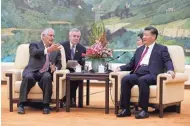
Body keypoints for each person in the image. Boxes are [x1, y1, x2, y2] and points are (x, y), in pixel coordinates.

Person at [114, 26, 175, 119]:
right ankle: (126, 109)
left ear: (153, 37)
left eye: (146, 35)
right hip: (139, 72)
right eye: (143, 35)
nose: (144, 37)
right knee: (126, 79)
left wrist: (170, 70)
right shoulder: (139, 49)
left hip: (152, 74)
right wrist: (120, 68)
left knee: (143, 80)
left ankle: (144, 110)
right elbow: (131, 64)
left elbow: (167, 60)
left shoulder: (161, 49)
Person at [18, 28, 62, 114]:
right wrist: (48, 50)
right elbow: (34, 53)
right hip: (32, 71)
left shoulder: (56, 50)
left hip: (44, 72)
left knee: (47, 76)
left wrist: (55, 68)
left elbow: (59, 64)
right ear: (43, 36)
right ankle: (21, 104)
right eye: (50, 35)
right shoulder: (34, 45)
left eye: (53, 36)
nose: (52, 37)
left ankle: (46, 105)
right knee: (28, 77)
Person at [60, 28, 86, 107]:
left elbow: (82, 63)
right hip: (64, 70)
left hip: (76, 71)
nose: (76, 38)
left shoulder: (82, 49)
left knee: (77, 77)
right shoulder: (62, 46)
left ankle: (69, 99)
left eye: (78, 37)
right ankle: (68, 99)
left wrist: (79, 66)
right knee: (69, 76)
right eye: (74, 36)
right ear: (69, 36)